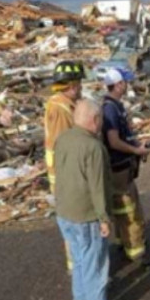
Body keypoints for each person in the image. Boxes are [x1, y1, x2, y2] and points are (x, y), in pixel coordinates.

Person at [53, 99, 126, 300]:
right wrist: (104, 218)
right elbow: (98, 186)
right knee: (95, 263)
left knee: (79, 260)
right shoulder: (94, 147)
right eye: (101, 120)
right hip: (86, 215)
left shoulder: (63, 138)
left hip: (64, 211)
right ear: (95, 120)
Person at [101, 68, 150, 262]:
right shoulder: (110, 108)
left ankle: (125, 241)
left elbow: (123, 136)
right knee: (130, 212)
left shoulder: (116, 105)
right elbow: (113, 141)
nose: (127, 85)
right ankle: (137, 252)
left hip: (124, 165)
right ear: (119, 84)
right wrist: (136, 151)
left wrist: (138, 145)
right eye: (125, 82)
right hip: (119, 167)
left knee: (123, 209)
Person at [45, 60, 85, 271]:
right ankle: (77, 267)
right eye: (79, 84)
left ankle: (78, 265)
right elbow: (63, 144)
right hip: (65, 176)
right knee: (75, 223)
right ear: (70, 86)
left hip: (64, 174)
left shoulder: (63, 104)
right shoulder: (60, 109)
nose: (80, 89)